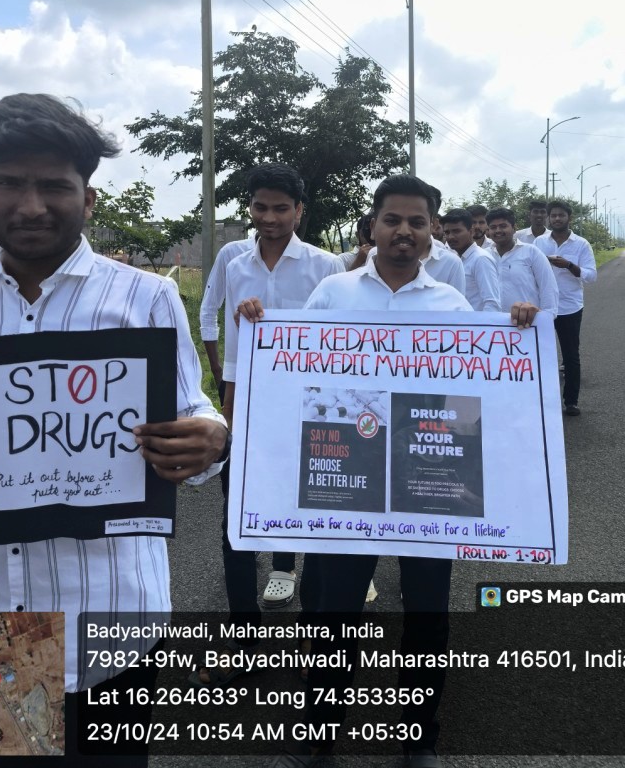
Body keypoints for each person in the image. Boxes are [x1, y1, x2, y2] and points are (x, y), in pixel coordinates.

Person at [0, 94, 229, 767]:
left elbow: (193, 409)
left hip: (112, 621)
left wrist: (211, 437)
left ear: (87, 199)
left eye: (54, 186)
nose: (31, 206)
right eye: (9, 183)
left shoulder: (144, 298)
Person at [251, 176, 538, 768]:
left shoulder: (451, 305)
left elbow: (477, 394)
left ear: (432, 231)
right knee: (332, 615)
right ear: (374, 225)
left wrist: (518, 332)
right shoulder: (333, 292)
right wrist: (260, 328)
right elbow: (292, 370)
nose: (404, 231)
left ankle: (419, 736)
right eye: (392, 220)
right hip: (346, 479)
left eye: (417, 222)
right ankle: (317, 734)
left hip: (427, 480)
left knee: (427, 616)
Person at [200, 163, 340, 681]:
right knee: (236, 521)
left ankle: (312, 631)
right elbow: (232, 345)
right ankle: (243, 635)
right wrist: (228, 398)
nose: (270, 217)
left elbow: (340, 339)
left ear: (300, 211)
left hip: (312, 408)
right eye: (261, 207)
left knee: (315, 517)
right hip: (249, 407)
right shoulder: (236, 264)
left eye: (282, 208)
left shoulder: (326, 266)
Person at [533, 201, 597, 416]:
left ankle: (571, 401)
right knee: (540, 354)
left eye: (561, 215)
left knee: (570, 356)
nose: (557, 219)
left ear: (570, 217)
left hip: (569, 307)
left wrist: (569, 265)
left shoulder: (581, 244)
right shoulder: (539, 242)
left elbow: (591, 276)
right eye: (553, 215)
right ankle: (542, 401)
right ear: (549, 218)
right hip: (542, 307)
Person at [200, 236, 254, 403]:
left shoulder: (316, 263)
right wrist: (218, 372)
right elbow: (209, 309)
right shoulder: (232, 254)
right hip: (239, 374)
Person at [486, 207, 559, 319]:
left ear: (514, 228)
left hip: (527, 322)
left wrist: (547, 318)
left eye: (503, 226)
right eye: (493, 227)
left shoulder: (532, 252)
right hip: (492, 323)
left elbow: (548, 288)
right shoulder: (484, 256)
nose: (498, 230)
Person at [441, 208, 501, 311]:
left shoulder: (481, 259)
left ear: (471, 231)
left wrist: (481, 322)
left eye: (456, 231)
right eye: (447, 232)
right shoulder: (456, 259)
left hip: (475, 321)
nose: (450, 237)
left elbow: (492, 304)